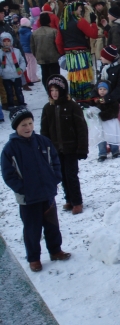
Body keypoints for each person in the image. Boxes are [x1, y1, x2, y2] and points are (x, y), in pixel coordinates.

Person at [1, 109, 71, 272]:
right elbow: (8, 174)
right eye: (23, 125)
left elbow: (55, 161)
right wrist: (22, 189)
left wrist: (55, 178)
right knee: (32, 229)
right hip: (28, 198)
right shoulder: (10, 149)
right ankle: (34, 258)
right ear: (16, 127)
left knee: (52, 225)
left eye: (30, 123)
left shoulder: (43, 142)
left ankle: (55, 250)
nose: (28, 127)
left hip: (47, 193)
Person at [41, 75, 89, 215]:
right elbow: (44, 130)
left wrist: (82, 148)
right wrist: (45, 149)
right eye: (52, 90)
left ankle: (77, 201)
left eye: (57, 90)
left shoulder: (72, 106)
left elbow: (81, 128)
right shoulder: (47, 108)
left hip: (71, 148)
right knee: (61, 175)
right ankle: (68, 198)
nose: (54, 93)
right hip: (55, 149)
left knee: (71, 175)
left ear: (62, 90)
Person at [59, 1, 98, 100]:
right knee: (83, 75)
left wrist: (62, 53)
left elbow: (58, 41)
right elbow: (93, 34)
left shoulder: (63, 23)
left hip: (69, 55)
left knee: (74, 76)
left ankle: (76, 95)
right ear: (74, 10)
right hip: (81, 53)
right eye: (79, 8)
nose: (81, 10)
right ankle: (85, 97)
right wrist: (93, 23)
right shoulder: (80, 21)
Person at [99, 44, 120, 150]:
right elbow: (100, 84)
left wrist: (109, 97)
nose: (100, 58)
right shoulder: (104, 68)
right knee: (110, 124)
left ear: (109, 57)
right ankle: (111, 144)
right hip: (108, 102)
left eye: (102, 56)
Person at [89, 81, 120, 161]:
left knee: (113, 137)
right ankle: (102, 153)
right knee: (101, 138)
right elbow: (92, 109)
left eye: (104, 89)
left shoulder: (111, 101)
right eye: (100, 89)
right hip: (100, 124)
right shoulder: (95, 101)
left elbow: (114, 111)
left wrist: (103, 115)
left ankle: (115, 151)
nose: (102, 91)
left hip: (110, 123)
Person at [31, 12, 62, 90]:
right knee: (55, 75)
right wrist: (60, 53)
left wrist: (37, 55)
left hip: (41, 57)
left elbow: (32, 46)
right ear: (49, 21)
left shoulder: (34, 33)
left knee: (45, 74)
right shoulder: (54, 31)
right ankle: (56, 89)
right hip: (53, 56)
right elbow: (58, 44)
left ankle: (48, 89)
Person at [0, 32, 26, 109]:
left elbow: (22, 61)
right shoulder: (1, 53)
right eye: (4, 41)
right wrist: (1, 72)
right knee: (9, 92)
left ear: (11, 41)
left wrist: (21, 69)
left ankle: (21, 103)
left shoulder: (16, 51)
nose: (6, 43)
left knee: (18, 91)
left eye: (8, 41)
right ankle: (10, 104)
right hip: (6, 75)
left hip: (16, 73)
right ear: (1, 42)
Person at [18, 18, 39, 85]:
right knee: (33, 64)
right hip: (30, 50)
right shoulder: (29, 33)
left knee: (28, 64)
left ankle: (29, 76)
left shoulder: (21, 32)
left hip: (24, 50)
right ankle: (33, 77)